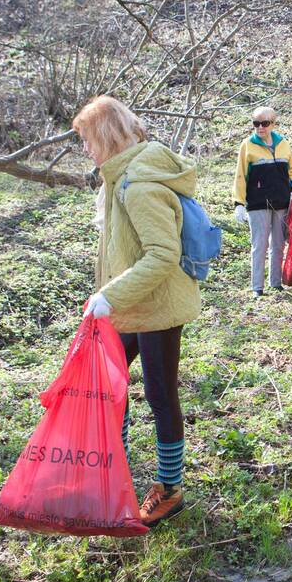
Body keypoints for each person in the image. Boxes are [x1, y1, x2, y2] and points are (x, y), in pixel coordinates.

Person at [75, 95, 200, 527]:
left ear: (107, 136)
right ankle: (117, 474)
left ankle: (169, 489)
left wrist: (110, 296)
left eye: (88, 139)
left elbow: (162, 254)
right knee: (113, 388)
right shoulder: (118, 177)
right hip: (130, 304)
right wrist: (109, 296)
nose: (87, 149)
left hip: (158, 305)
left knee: (161, 394)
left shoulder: (140, 183)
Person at [233, 107, 292, 298]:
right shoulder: (247, 145)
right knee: (260, 244)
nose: (260, 127)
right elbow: (240, 175)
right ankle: (257, 286)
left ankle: (276, 282)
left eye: (264, 123)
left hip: (281, 201)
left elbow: (291, 170)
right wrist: (238, 203)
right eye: (256, 123)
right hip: (257, 203)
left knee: (279, 243)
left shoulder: (283, 144)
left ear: (273, 124)